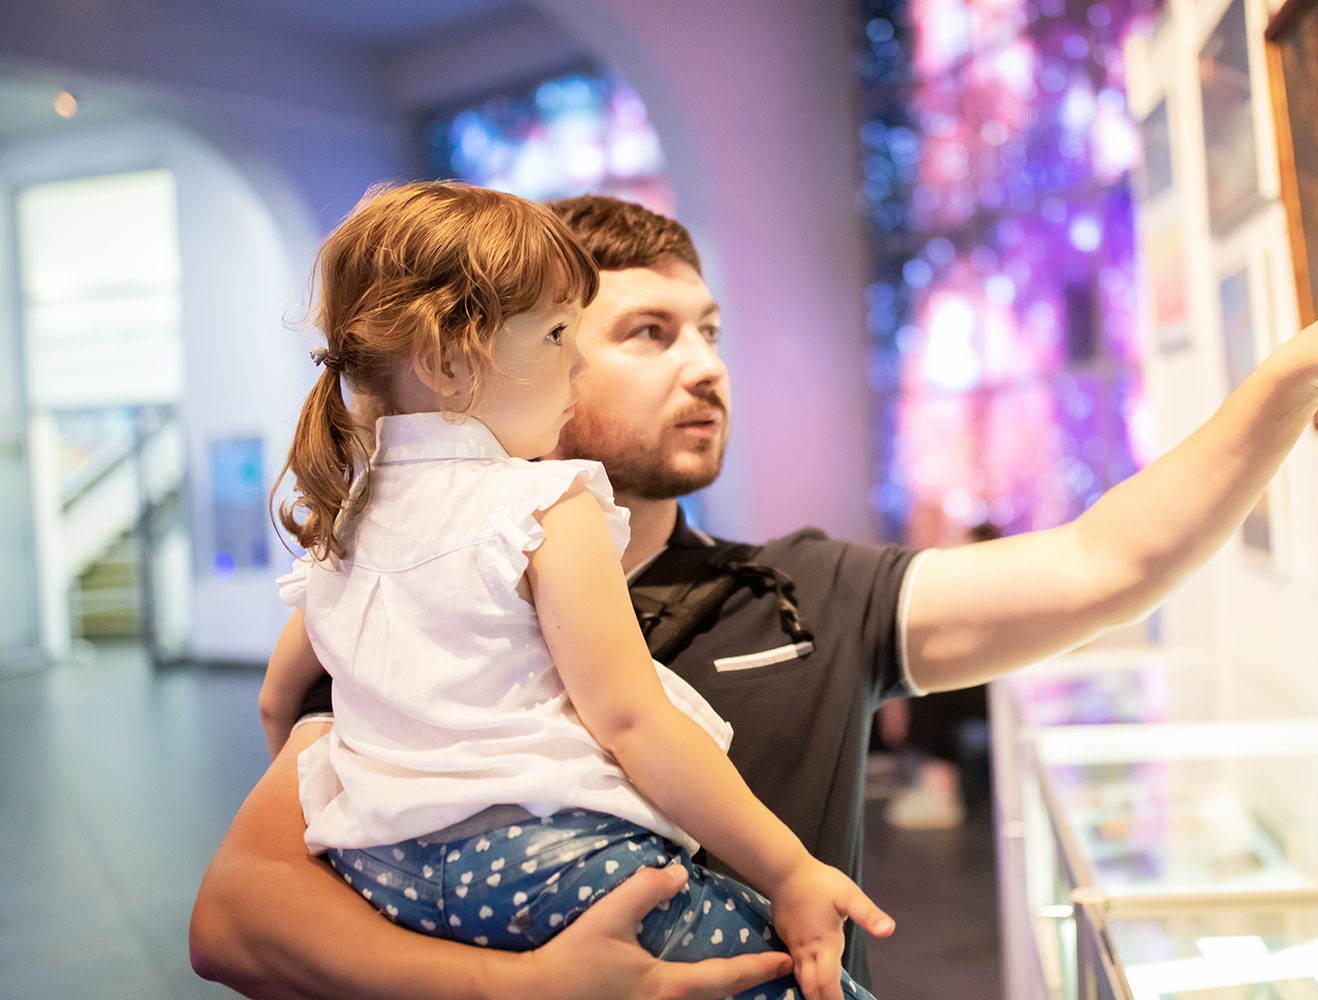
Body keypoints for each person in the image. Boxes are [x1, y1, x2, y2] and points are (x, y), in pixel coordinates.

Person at [191, 192, 1318, 1000]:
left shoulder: (805, 596)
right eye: (645, 334)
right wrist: (521, 992)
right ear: (496, 360)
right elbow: (237, 921)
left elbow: (1106, 566)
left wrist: (1289, 382)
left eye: (709, 329)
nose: (706, 368)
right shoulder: (396, 610)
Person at [251, 181, 894, 1000]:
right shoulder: (543, 504)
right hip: (557, 864)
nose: (577, 363)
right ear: (449, 361)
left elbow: (282, 704)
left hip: (388, 879)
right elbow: (633, 722)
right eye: (558, 334)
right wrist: (794, 870)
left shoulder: (352, 519)